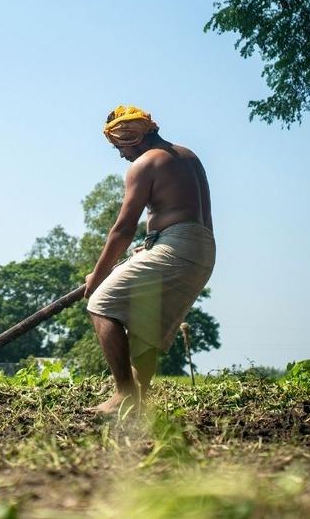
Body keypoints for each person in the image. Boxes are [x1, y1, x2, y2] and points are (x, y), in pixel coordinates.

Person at [84, 105, 215, 414]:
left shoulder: (145, 164)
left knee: (101, 304)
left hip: (177, 248)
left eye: (119, 146)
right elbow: (196, 216)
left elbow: (122, 229)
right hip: (201, 248)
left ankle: (124, 395)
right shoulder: (188, 157)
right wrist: (156, 243)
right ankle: (138, 402)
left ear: (132, 136)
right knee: (147, 325)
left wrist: (97, 276)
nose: (120, 155)